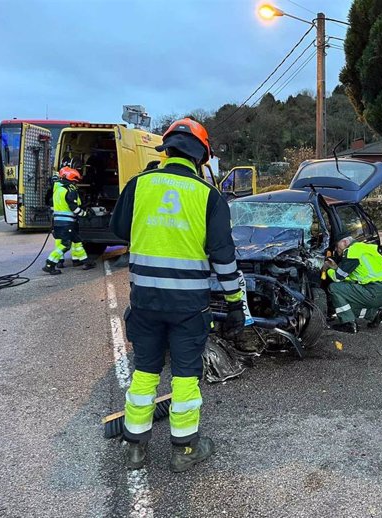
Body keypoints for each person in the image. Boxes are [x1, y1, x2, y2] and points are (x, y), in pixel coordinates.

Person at [110, 117, 245, 473]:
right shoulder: (209, 196)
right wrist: (234, 305)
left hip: (146, 302)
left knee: (145, 373)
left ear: (166, 149)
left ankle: (135, 448)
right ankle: (184, 451)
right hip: (189, 306)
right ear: (202, 157)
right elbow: (224, 258)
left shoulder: (139, 185)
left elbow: (118, 229)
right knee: (185, 377)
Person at [323, 236, 382, 334]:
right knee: (345, 306)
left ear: (345, 242)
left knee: (334, 288)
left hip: (372, 290)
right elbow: (351, 278)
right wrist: (336, 267)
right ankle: (374, 315)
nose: (337, 251)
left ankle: (348, 323)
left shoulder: (352, 251)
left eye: (337, 247)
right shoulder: (364, 247)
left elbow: (337, 278)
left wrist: (327, 268)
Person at [42, 166, 94, 274]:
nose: (76, 183)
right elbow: (74, 207)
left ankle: (85, 261)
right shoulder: (70, 190)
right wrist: (85, 214)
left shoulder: (58, 188)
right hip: (67, 223)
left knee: (77, 241)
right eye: (76, 181)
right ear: (72, 180)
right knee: (65, 245)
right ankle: (49, 264)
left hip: (58, 222)